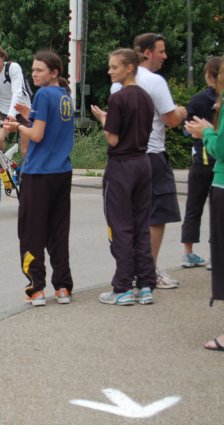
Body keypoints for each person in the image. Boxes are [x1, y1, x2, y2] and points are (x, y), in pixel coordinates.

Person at [111, 33, 188, 289]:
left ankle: (129, 271)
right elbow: (171, 119)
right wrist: (181, 111)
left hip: (124, 158)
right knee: (155, 215)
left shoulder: (117, 84)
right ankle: (149, 271)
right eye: (161, 51)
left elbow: (114, 128)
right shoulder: (154, 82)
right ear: (146, 53)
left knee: (127, 217)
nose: (165, 56)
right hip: (151, 154)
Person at [4, 50, 74, 306]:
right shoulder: (64, 95)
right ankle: (63, 287)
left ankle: (36, 289)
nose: (34, 74)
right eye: (32, 70)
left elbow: (37, 135)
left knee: (31, 231)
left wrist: (18, 126)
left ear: (54, 72)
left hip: (39, 173)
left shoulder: (43, 94)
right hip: (61, 171)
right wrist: (29, 114)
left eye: (39, 70)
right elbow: (50, 125)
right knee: (58, 230)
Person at [90, 49, 157, 305]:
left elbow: (113, 138)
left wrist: (103, 119)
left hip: (121, 166)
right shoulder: (146, 97)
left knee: (120, 226)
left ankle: (123, 288)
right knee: (141, 225)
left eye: (114, 67)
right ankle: (146, 285)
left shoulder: (118, 98)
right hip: (143, 162)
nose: (110, 71)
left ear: (129, 67)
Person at [185, 59, 224, 351]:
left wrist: (207, 133)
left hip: (219, 174)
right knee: (195, 209)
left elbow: (220, 146)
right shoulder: (203, 99)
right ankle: (189, 251)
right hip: (207, 169)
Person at [181, 56, 222, 269]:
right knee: (218, 212)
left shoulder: (197, 100)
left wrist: (193, 130)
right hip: (219, 163)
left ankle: (188, 253)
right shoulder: (220, 101)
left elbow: (187, 129)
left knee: (193, 207)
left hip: (201, 160)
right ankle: (216, 255)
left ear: (208, 75)